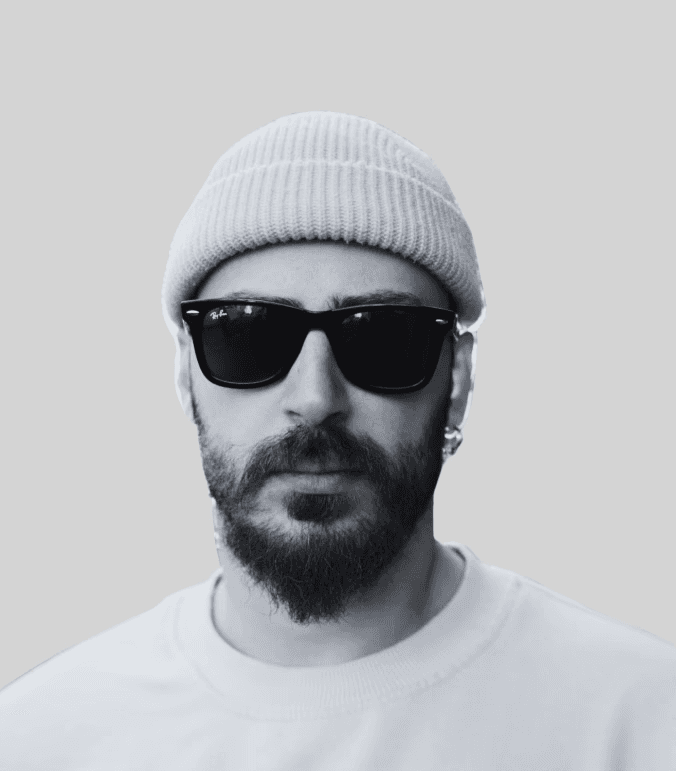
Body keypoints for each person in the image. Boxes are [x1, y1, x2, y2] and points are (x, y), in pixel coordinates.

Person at [1, 111, 674, 769]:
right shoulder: (40, 740)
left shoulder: (642, 719)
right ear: (185, 371)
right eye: (248, 334)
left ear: (458, 378)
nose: (316, 397)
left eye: (383, 337)